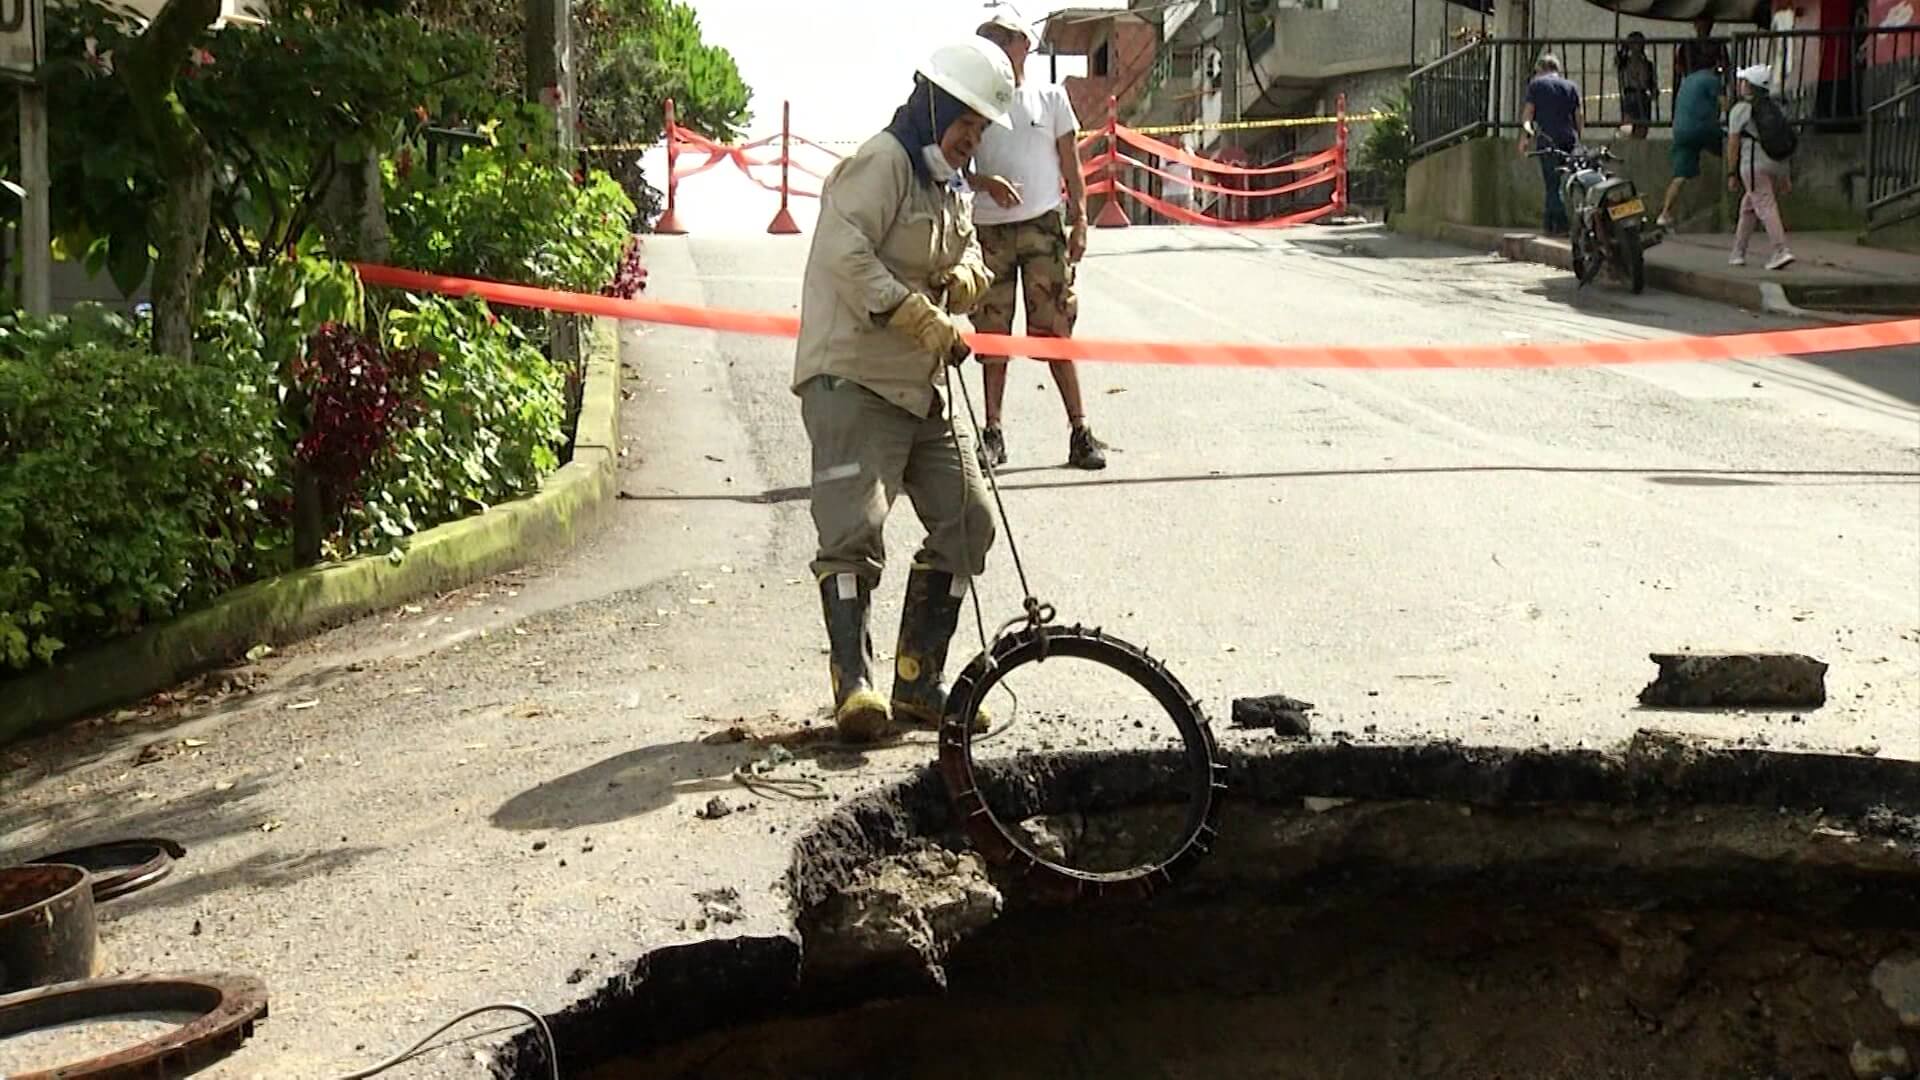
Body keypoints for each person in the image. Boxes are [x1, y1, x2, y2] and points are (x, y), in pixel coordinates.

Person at [791, 39, 1017, 742]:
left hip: (921, 390)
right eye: (966, 124)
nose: (970, 140)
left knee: (969, 518)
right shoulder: (884, 161)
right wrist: (922, 317)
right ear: (934, 105)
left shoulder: (948, 183)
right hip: (854, 379)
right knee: (854, 532)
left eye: (980, 132)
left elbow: (971, 253)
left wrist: (965, 283)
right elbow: (842, 253)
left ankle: (920, 683)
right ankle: (854, 687)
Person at [967, 13, 1106, 472]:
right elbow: (952, 163)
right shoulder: (973, 100)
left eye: (1000, 39)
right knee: (992, 335)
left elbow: (1072, 164)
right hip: (991, 231)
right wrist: (983, 182)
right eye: (985, 40)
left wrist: (1080, 221)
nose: (992, 48)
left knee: (1055, 332)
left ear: (1023, 43)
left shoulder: (1050, 98)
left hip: (1043, 229)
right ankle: (993, 433)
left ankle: (1080, 431)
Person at [1727, 64, 1796, 270]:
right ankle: (1738, 251)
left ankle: (1780, 250)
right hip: (1776, 162)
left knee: (1765, 206)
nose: (1740, 85)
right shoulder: (1777, 108)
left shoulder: (1740, 110)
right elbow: (1783, 140)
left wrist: (1731, 172)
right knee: (1749, 206)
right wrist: (1785, 176)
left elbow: (1733, 143)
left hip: (1753, 166)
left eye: (1743, 81)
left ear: (1749, 86)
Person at [1658, 62, 1728, 229]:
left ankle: (1665, 213)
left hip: (1681, 130)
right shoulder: (1712, 80)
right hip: (1703, 127)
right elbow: (1725, 105)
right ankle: (1737, 188)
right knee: (1731, 150)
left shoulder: (1688, 80)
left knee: (1680, 175)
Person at [1519, 54, 1582, 237]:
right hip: (1569, 138)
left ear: (1540, 69)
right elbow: (1579, 115)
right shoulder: (1571, 86)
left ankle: (1561, 224)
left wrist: (1525, 138)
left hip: (1548, 139)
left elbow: (1528, 115)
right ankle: (1548, 223)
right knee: (1560, 180)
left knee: (1552, 183)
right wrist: (1578, 137)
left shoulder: (1536, 85)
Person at [1674, 16, 1733, 99]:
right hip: (1693, 84)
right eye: (1700, 24)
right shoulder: (1687, 45)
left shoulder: (1718, 45)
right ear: (1695, 25)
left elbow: (1725, 66)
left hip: (1711, 84)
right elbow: (1679, 68)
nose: (1703, 27)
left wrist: (1718, 72)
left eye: (1706, 24)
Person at [1616, 32, 1657, 138]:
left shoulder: (1647, 64)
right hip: (1631, 94)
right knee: (1627, 126)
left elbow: (1652, 82)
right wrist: (1622, 47)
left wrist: (1653, 91)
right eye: (1633, 43)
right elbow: (1618, 61)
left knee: (1642, 129)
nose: (1636, 46)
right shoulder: (1624, 62)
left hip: (1643, 96)